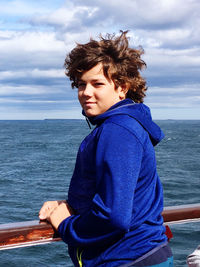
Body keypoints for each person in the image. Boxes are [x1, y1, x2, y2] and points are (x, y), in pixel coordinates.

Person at [39, 31, 173, 267]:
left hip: (127, 260)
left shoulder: (118, 131)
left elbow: (113, 217)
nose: (86, 93)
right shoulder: (126, 126)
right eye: (81, 84)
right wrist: (71, 206)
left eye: (97, 83)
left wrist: (64, 223)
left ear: (122, 87)